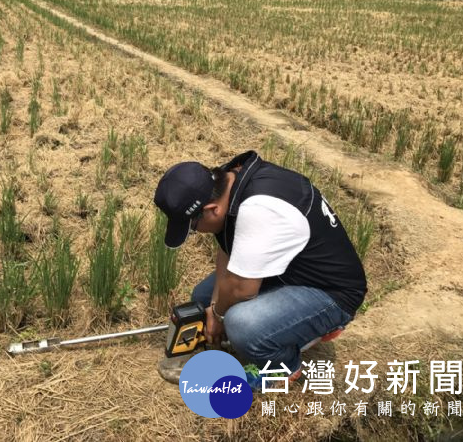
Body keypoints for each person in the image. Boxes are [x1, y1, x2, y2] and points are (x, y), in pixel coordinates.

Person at [154, 150, 367, 389]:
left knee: (240, 324)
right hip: (289, 269)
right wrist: (213, 308)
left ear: (212, 209)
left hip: (330, 291)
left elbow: (242, 289)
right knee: (202, 298)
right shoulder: (225, 182)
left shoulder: (258, 209)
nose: (195, 232)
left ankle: (283, 366)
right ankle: (274, 332)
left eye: (193, 227)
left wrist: (220, 315)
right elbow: (227, 245)